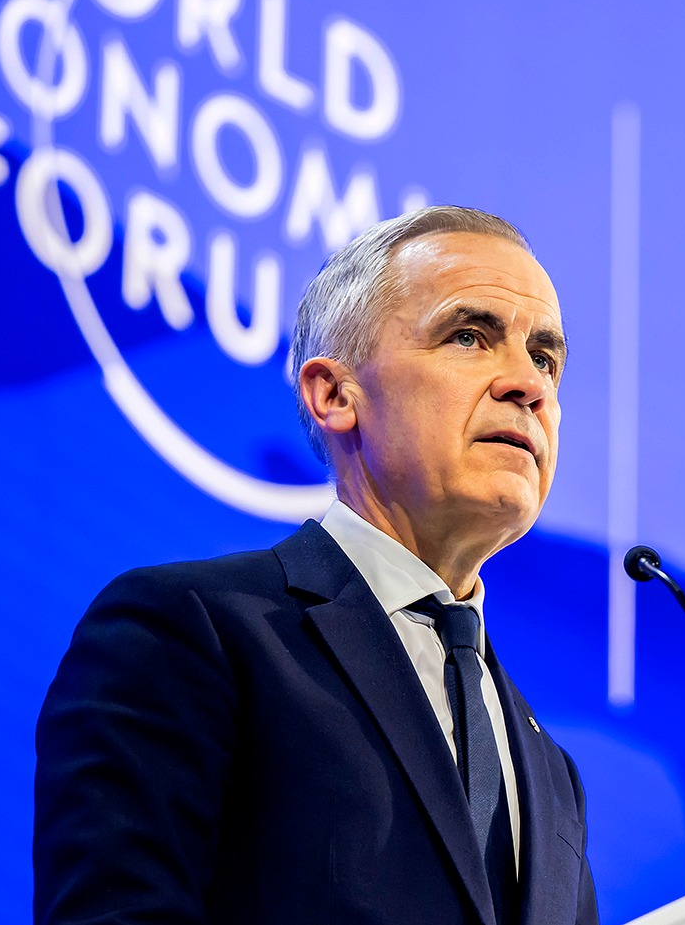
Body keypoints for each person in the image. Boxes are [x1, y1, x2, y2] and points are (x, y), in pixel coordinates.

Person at [34, 206, 597, 925]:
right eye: (468, 336)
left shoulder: (551, 773)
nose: (529, 384)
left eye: (545, 358)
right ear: (333, 394)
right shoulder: (191, 633)